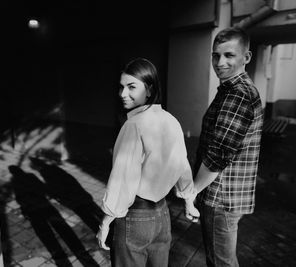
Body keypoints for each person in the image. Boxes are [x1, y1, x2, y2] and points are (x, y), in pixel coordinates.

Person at [96, 58, 199, 267]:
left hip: (135, 218)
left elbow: (122, 180)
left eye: (131, 87)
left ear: (150, 89)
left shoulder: (133, 125)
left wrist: (105, 222)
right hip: (162, 217)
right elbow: (182, 163)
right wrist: (189, 200)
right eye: (121, 87)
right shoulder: (171, 120)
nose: (123, 94)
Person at [193, 27, 264, 267]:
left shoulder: (238, 94)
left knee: (221, 263)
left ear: (246, 57)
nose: (220, 62)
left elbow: (218, 155)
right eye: (216, 55)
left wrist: (190, 192)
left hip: (220, 197)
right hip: (228, 195)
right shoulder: (230, 90)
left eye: (229, 55)